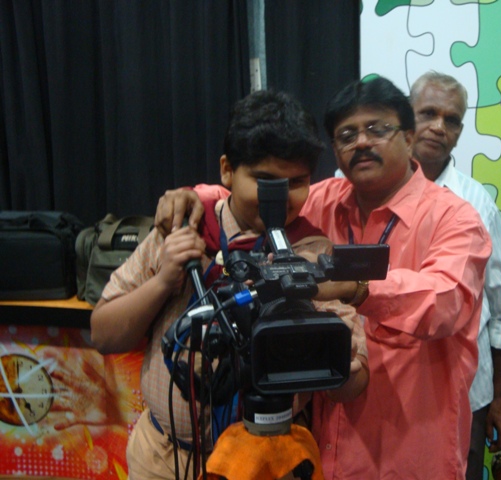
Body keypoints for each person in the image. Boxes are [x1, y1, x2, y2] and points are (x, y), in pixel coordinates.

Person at [156, 76, 492, 479]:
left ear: (408, 138)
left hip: (406, 447)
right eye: (347, 135)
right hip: (319, 443)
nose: (362, 142)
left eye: (377, 129)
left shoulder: (455, 218)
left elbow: (447, 301)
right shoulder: (324, 200)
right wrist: (195, 194)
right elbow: (254, 195)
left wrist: (357, 287)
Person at [90, 90, 368, 480]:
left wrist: (341, 359)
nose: (281, 198)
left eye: (297, 182)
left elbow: (351, 386)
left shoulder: (310, 251)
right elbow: (103, 335)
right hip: (165, 459)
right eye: (265, 180)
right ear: (227, 171)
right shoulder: (183, 228)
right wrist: (165, 280)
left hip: (268, 464)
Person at [409, 71, 501, 480]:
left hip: (467, 392)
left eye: (452, 120)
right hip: (389, 390)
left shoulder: (477, 203)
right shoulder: (369, 193)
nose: (439, 127)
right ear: (406, 116)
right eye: (428, 113)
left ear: (459, 132)